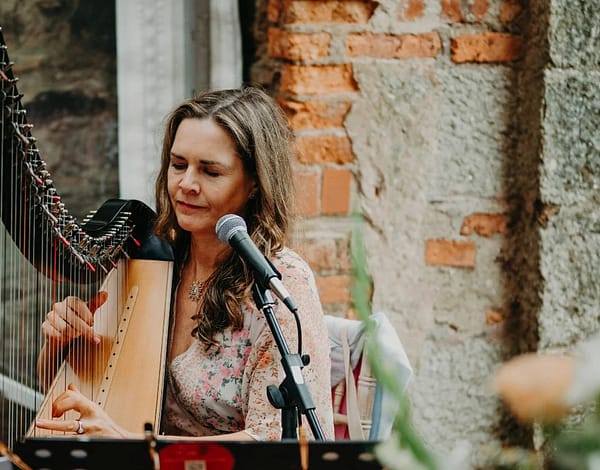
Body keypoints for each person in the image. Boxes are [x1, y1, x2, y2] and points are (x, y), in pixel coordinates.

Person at [35, 86, 335, 441]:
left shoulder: (277, 282)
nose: (186, 184)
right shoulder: (154, 261)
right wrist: (61, 341)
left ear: (255, 182)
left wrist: (136, 448)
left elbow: (277, 441)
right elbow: (71, 389)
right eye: (178, 165)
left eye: (210, 172)